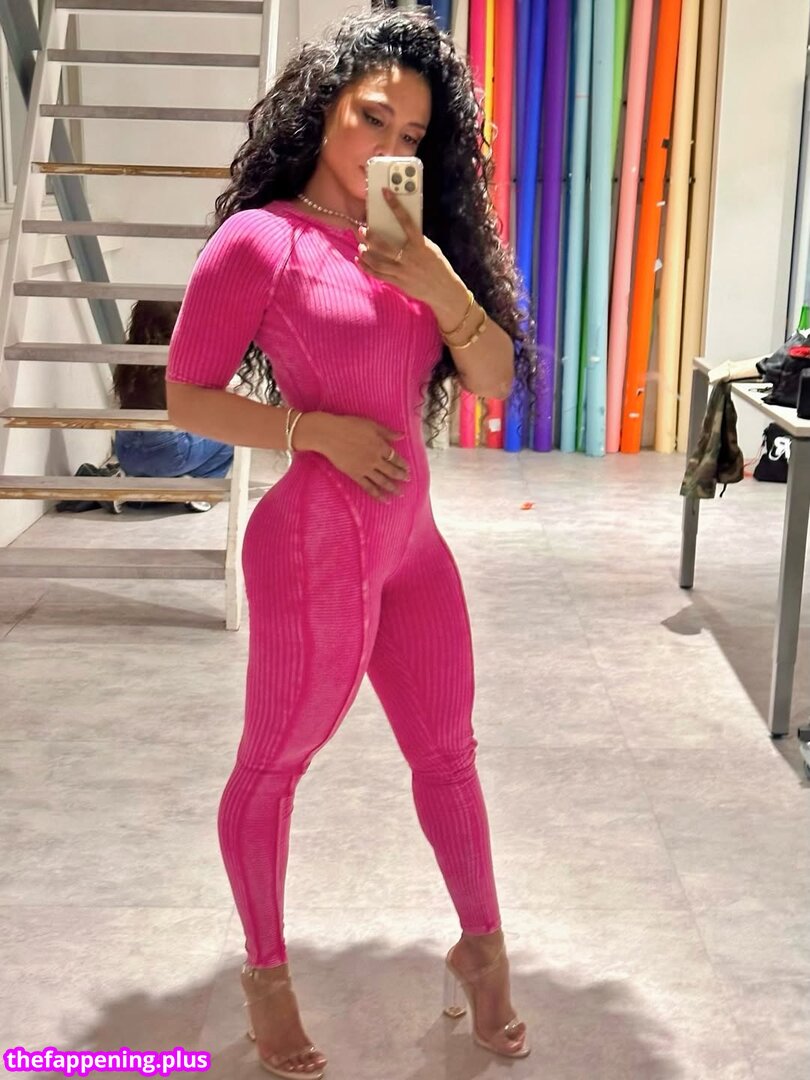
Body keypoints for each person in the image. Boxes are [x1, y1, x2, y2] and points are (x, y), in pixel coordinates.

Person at [165, 10, 535, 1078]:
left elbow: (495, 382)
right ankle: (266, 977)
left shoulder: (418, 248)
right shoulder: (261, 241)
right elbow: (186, 396)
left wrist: (443, 287)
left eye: (411, 135)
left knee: (450, 756)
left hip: (413, 542)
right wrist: (309, 430)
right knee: (275, 763)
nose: (388, 146)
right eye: (373, 117)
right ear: (322, 108)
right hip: (313, 544)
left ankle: (482, 951)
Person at [113, 300, 234, 509]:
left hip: (126, 453)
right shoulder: (181, 358)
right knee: (232, 432)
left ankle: (138, 486)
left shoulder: (128, 359)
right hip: (168, 453)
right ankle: (201, 491)